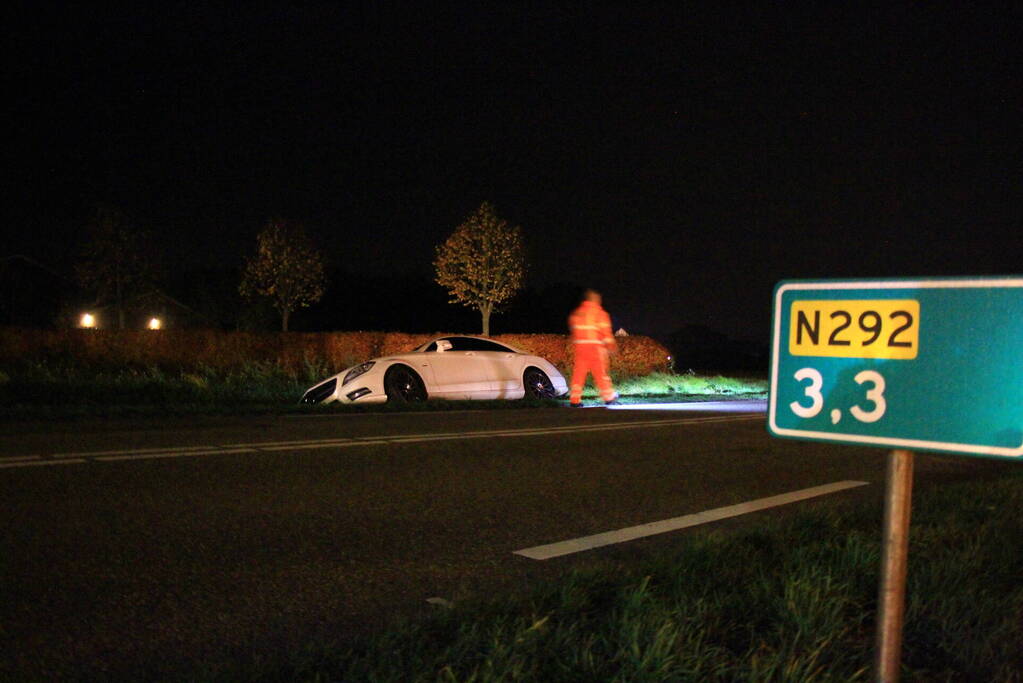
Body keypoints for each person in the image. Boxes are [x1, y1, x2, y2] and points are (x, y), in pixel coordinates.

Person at [568, 289, 618, 406]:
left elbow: (573, 332)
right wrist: (611, 346)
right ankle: (609, 398)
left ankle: (574, 401)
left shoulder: (577, 314)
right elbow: (606, 333)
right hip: (595, 349)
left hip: (580, 349)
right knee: (601, 374)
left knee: (578, 375)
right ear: (594, 299)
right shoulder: (600, 314)